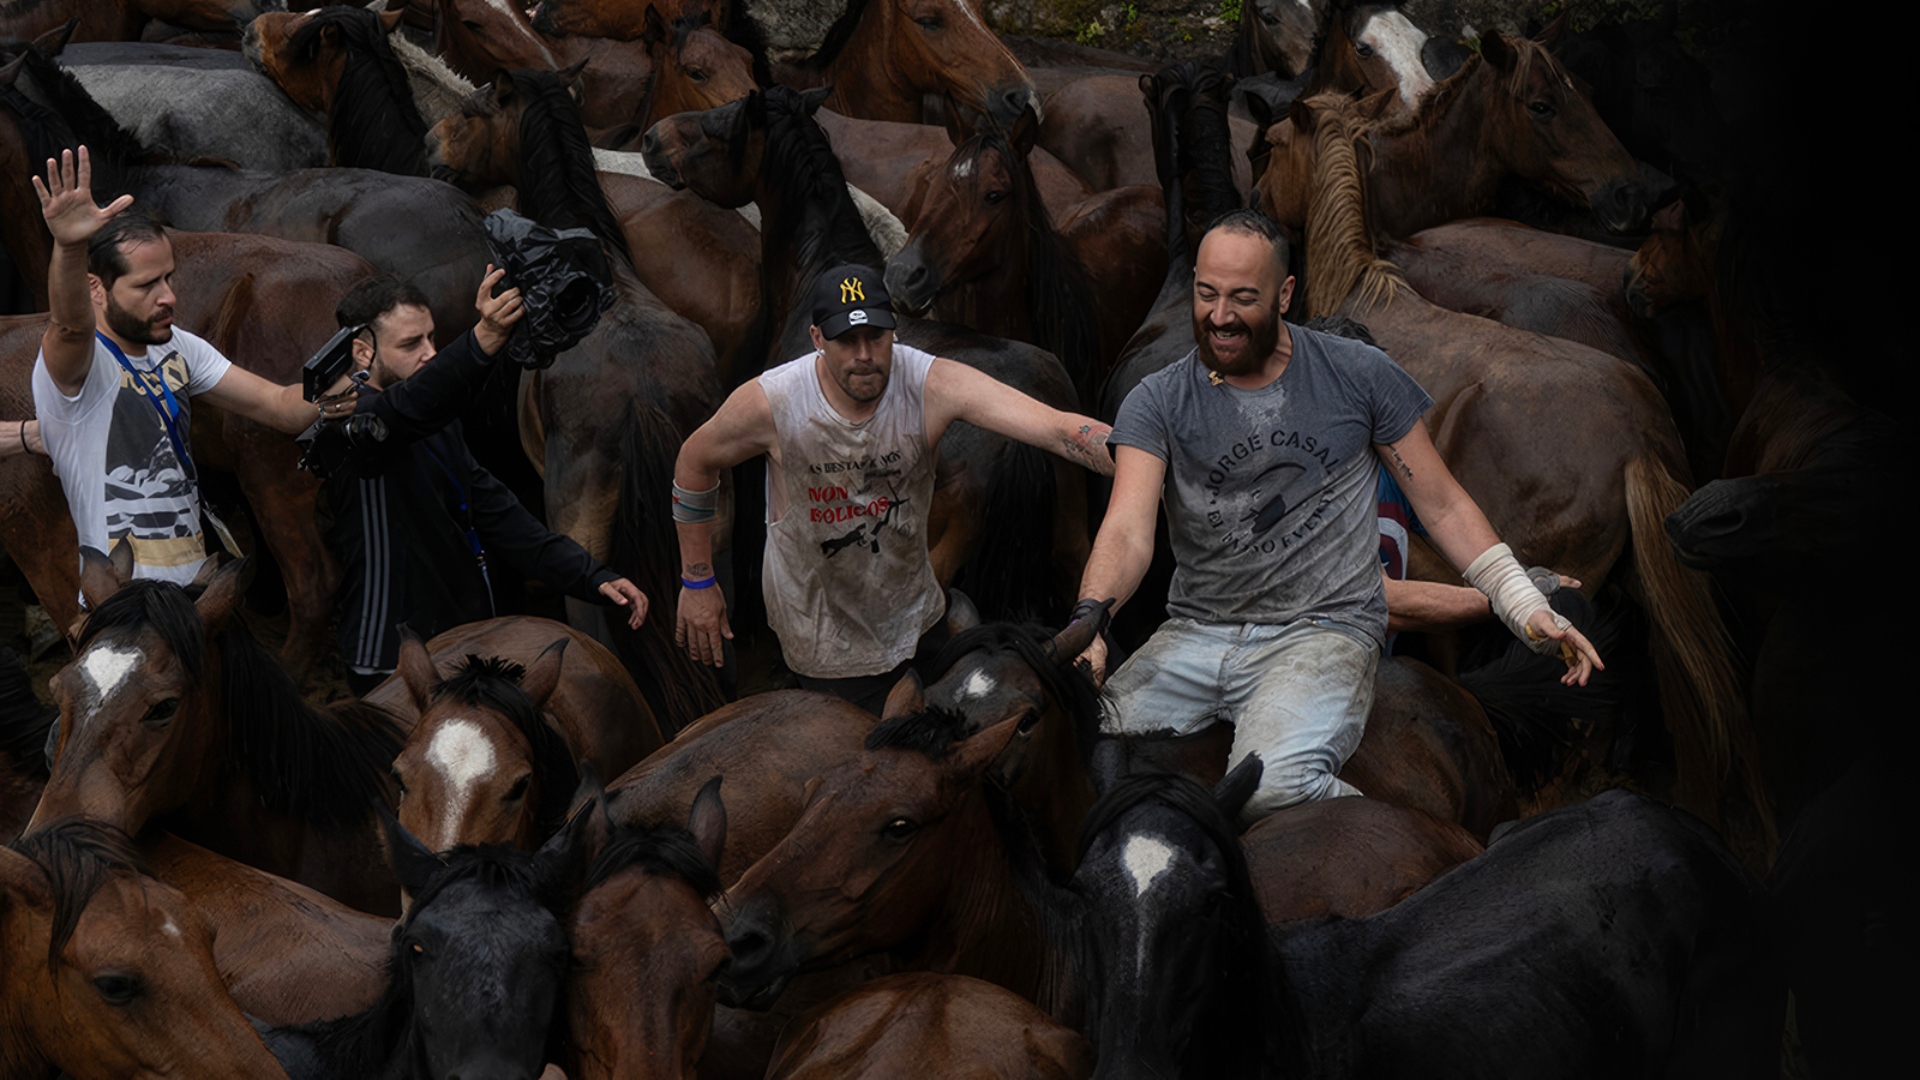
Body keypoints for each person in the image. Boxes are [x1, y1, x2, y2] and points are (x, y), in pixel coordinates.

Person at [1076, 210, 1603, 822]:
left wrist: (1520, 602)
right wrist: (1091, 618)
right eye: (1207, 293)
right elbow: (1127, 529)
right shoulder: (1158, 398)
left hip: (1322, 633)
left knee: (1273, 790)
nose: (1220, 316)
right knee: (1084, 753)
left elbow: (1443, 503)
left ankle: (1397, 847)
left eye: (1243, 298)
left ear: (1286, 293)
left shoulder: (1359, 375)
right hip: (1194, 634)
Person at [672, 263, 1116, 714]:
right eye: (847, 341)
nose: (865, 354)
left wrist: (1132, 451)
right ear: (817, 339)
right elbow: (694, 461)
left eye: (877, 337)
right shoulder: (776, 402)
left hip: (915, 612)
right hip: (825, 635)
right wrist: (698, 579)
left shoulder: (928, 383)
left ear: (894, 332)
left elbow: (1057, 430)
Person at [322, 273, 648, 695]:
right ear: (362, 352)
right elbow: (402, 412)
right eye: (410, 344)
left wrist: (592, 576)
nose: (430, 354)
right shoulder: (348, 423)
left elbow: (501, 516)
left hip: (458, 642)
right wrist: (481, 340)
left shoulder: (437, 423)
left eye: (432, 338)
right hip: (389, 660)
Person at [30, 147, 329, 585]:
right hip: (126, 600)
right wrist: (69, 248)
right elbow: (70, 327)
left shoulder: (181, 347)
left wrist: (357, 371)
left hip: (196, 589)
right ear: (96, 288)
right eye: (147, 284)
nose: (168, 295)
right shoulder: (76, 363)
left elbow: (282, 406)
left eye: (168, 277)